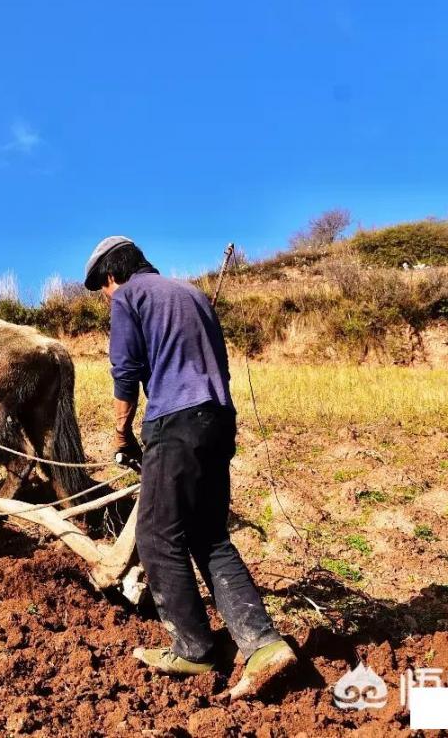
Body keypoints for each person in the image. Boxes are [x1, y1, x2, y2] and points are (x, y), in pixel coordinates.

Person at [84, 236, 296, 699]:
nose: (105, 295)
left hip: (175, 421)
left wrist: (121, 435)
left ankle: (194, 649)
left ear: (112, 275)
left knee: (157, 535)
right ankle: (263, 645)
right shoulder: (194, 294)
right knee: (208, 534)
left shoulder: (128, 297)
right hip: (218, 420)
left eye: (101, 286)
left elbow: (125, 370)